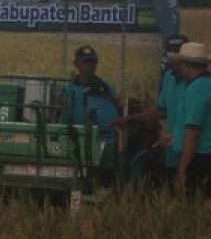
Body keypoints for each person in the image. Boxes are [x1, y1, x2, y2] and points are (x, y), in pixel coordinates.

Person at [112, 34, 189, 184]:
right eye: (172, 57)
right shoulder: (169, 78)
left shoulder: (197, 84)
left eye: (179, 58)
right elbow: (160, 110)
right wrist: (130, 119)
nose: (175, 63)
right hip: (173, 148)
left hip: (191, 149)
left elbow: (197, 126)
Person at [170, 42, 211, 199]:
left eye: (180, 64)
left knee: (192, 206)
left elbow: (193, 132)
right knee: (209, 202)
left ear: (186, 65)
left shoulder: (196, 89)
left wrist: (182, 170)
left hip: (200, 158)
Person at [61, 45, 120, 184]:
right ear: (76, 64)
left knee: (99, 176)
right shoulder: (68, 88)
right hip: (75, 137)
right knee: (76, 176)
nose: (90, 66)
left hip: (101, 138)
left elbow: (117, 108)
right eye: (85, 62)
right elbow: (63, 114)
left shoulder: (105, 86)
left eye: (93, 62)